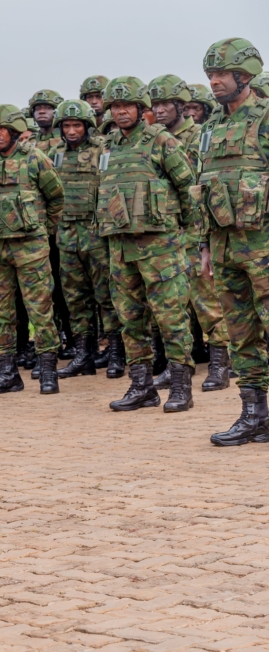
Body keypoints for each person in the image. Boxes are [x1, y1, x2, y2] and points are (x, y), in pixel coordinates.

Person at [98, 76, 197, 413]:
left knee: (171, 317)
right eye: (115, 106)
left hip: (160, 246)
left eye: (127, 106)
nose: (121, 111)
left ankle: (181, 387)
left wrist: (189, 236)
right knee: (130, 319)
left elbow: (188, 188)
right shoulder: (109, 147)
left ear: (141, 109)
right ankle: (141, 387)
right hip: (120, 248)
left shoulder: (161, 141)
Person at [189, 39, 269, 445]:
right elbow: (204, 190)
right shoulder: (211, 128)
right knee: (241, 333)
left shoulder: (266, 118)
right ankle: (254, 416)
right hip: (223, 248)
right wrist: (204, 246)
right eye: (210, 76)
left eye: (221, 74)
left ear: (245, 74)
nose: (214, 82)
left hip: (264, 246)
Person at [147, 74, 232, 392]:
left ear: (181, 105)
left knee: (205, 301)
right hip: (163, 233)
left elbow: (204, 182)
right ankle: (178, 366)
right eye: (155, 104)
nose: (161, 109)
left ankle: (220, 364)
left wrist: (203, 233)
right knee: (171, 307)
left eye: (166, 103)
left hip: (194, 230)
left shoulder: (200, 135)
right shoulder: (152, 139)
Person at [0, 105, 65, 396]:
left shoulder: (34, 158)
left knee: (40, 309)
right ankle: (8, 373)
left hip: (30, 249)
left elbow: (56, 197)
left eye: (1, 129)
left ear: (14, 131)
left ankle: (48, 371)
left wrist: (43, 229)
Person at [47, 100, 123, 380]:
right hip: (66, 235)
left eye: (76, 124)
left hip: (96, 233)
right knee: (75, 297)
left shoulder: (103, 148)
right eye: (66, 125)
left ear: (88, 126)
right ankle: (83, 355)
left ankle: (116, 353)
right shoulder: (53, 154)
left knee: (106, 295)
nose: (71, 130)